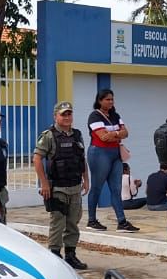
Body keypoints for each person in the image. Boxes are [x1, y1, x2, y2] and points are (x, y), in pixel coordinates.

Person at [32, 101, 90, 269]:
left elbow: (81, 159)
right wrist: (44, 184)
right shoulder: (49, 136)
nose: (67, 117)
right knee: (58, 223)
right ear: (55, 116)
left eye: (69, 114)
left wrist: (86, 179)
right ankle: (55, 256)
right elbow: (36, 159)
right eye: (63, 114)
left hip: (74, 187)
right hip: (57, 188)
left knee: (73, 223)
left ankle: (71, 255)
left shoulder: (77, 135)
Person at [84, 89, 139, 232]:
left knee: (116, 188)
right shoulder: (94, 116)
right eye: (107, 99)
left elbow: (126, 133)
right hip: (99, 153)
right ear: (100, 100)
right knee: (97, 187)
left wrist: (113, 134)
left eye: (112, 99)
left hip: (115, 154)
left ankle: (122, 222)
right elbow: (103, 137)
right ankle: (91, 220)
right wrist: (117, 134)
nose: (110, 102)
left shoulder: (115, 115)